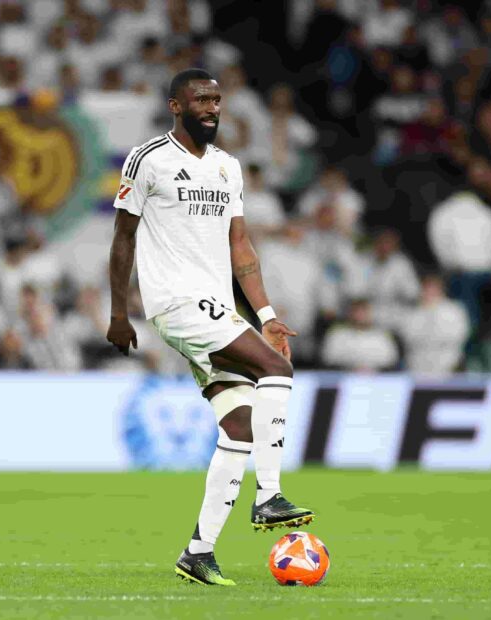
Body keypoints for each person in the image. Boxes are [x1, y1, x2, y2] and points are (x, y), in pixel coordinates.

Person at [107, 68, 314, 587]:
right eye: (201, 99)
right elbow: (123, 239)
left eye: (217, 100)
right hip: (176, 302)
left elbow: (240, 248)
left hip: (219, 306)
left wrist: (265, 316)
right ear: (175, 105)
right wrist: (118, 312)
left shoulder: (227, 167)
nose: (212, 107)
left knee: (239, 425)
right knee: (276, 368)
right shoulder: (148, 159)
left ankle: (198, 553)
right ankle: (267, 495)